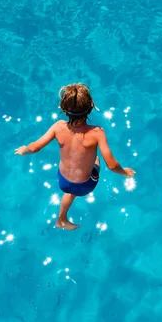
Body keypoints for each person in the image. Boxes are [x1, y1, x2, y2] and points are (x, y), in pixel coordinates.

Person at [15, 83, 136, 230]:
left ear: (64, 109)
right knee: (96, 161)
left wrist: (23, 150)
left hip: (62, 179)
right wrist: (124, 172)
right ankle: (61, 220)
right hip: (84, 185)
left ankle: (61, 219)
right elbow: (112, 165)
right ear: (91, 107)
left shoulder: (58, 127)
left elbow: (35, 147)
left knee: (69, 193)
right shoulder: (97, 133)